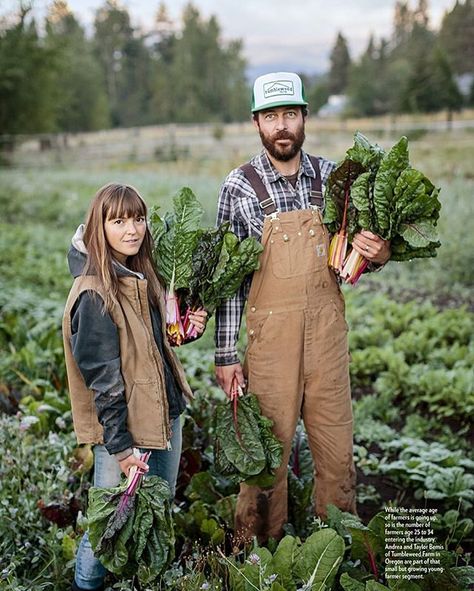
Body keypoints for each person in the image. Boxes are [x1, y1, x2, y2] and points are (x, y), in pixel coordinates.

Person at [214, 72, 390, 543]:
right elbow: (229, 280)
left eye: (290, 114)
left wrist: (378, 254)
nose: (282, 126)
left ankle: (338, 550)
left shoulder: (336, 180)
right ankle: (258, 553)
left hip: (327, 339)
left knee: (336, 453)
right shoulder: (240, 186)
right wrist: (225, 354)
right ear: (257, 123)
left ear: (304, 117)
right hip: (270, 344)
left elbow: (354, 259)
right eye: (271, 116)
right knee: (265, 456)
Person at [62, 183, 207, 591]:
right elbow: (104, 382)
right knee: (108, 523)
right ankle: (85, 586)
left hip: (164, 414)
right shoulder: (94, 293)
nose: (133, 229)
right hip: (124, 432)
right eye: (119, 220)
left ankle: (139, 583)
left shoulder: (139, 277)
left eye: (138, 219)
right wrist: (122, 450)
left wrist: (185, 331)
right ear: (99, 226)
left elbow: (152, 347)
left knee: (154, 514)